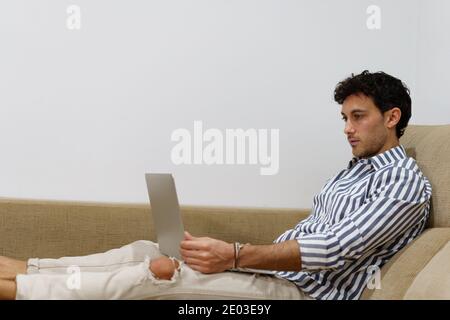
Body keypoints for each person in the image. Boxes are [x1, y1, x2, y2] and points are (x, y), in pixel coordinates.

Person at [0, 70, 432, 300]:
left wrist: (237, 254)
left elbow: (336, 249)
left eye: (358, 117)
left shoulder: (403, 184)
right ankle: (28, 269)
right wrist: (234, 257)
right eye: (344, 118)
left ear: (391, 117)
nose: (347, 128)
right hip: (278, 275)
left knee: (160, 273)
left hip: (302, 294)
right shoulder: (355, 170)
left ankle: (20, 292)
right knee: (146, 251)